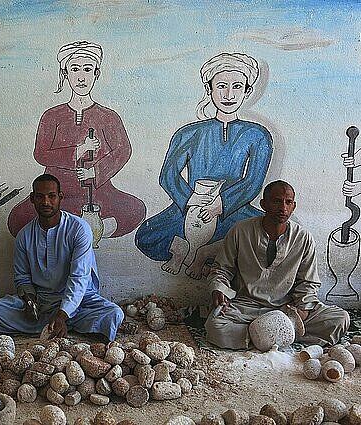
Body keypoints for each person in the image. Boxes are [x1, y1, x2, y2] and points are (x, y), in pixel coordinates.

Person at [136, 52, 272, 279]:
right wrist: (190, 200)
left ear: (248, 91)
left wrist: (221, 204)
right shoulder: (189, 133)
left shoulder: (257, 135)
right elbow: (168, 174)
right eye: (221, 86)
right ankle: (184, 249)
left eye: (237, 86)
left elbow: (253, 182)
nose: (229, 94)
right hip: (189, 207)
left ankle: (205, 253)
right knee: (146, 237)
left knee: (265, 242)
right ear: (209, 89)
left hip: (233, 210)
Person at [7, 41, 145, 240]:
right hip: (57, 191)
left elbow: (123, 151)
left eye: (87, 69)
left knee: (135, 210)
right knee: (17, 220)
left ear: (96, 74)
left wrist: (95, 172)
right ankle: (82, 228)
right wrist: (77, 151)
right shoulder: (52, 116)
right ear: (66, 74)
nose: (81, 76)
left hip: (97, 191)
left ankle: (82, 228)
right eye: (75, 69)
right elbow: (41, 154)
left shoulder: (108, 116)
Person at [204, 180, 350, 349]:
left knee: (339, 319)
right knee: (216, 326)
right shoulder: (240, 231)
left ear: (293, 206)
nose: (283, 208)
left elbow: (308, 282)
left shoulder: (303, 238)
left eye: (288, 202)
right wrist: (218, 289)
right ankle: (277, 336)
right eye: (276, 201)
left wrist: (301, 310)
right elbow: (221, 270)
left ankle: (266, 337)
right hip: (246, 307)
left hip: (286, 309)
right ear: (263, 204)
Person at [0, 174, 124, 341]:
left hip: (80, 300)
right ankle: (64, 325)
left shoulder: (79, 229)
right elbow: (22, 278)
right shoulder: (24, 236)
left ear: (60, 197)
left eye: (51, 196)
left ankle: (58, 323)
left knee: (114, 314)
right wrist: (29, 302)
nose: (46, 202)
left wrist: (62, 314)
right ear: (32, 199)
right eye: (40, 197)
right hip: (43, 301)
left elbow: (79, 278)